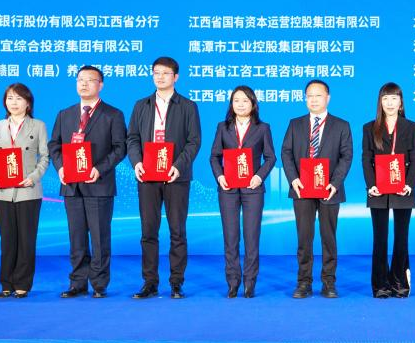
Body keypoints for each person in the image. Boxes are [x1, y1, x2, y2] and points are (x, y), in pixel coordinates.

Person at [48, 65, 127, 298]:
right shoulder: (65, 114)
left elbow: (120, 148)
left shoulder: (113, 114)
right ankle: (77, 282)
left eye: (90, 80)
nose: (83, 84)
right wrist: (60, 167)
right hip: (71, 185)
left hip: (98, 184)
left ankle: (99, 284)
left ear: (100, 85)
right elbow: (54, 145)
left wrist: (98, 169)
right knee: (76, 237)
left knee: (100, 236)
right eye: (80, 79)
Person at [127, 56, 202, 299]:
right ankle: (149, 282)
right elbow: (132, 138)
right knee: (148, 231)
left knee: (177, 231)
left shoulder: (188, 106)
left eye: (165, 73)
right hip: (147, 176)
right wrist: (137, 163)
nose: (160, 77)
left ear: (175, 77)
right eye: (156, 73)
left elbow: (194, 141)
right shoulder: (141, 105)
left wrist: (178, 166)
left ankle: (176, 282)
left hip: (175, 177)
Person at [281, 79, 353, 298]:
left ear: (327, 98)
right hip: (302, 189)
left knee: (328, 238)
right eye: (309, 96)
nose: (313, 100)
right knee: (304, 238)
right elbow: (286, 153)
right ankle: (304, 282)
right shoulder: (295, 124)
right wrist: (294, 179)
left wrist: (335, 183)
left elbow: (346, 156)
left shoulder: (341, 125)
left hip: (329, 189)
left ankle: (329, 282)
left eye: (318, 95)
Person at [209, 86, 276, 298]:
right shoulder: (223, 127)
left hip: (252, 189)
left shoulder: (262, 128)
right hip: (228, 188)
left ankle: (249, 283)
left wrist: (259, 177)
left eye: (245, 100)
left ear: (253, 104)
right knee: (230, 237)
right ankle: (232, 282)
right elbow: (214, 156)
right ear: (231, 104)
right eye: (236, 100)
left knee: (251, 237)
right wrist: (220, 177)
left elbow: (271, 158)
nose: (240, 104)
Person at [0, 83, 49, 298]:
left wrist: (33, 177)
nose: (14, 102)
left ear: (28, 103)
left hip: (28, 190)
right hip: (2, 191)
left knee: (26, 239)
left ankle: (22, 283)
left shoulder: (38, 125)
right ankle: (6, 283)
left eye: (19, 98)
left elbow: (45, 157)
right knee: (7, 238)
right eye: (10, 98)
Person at [361, 82, 415, 298]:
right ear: (380, 102)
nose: (389, 103)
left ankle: (399, 281)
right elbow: (366, 158)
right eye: (385, 98)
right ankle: (380, 284)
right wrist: (371, 185)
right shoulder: (369, 128)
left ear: (401, 103)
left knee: (401, 237)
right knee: (380, 238)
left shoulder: (412, 127)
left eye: (394, 98)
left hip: (403, 188)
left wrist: (409, 184)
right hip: (378, 189)